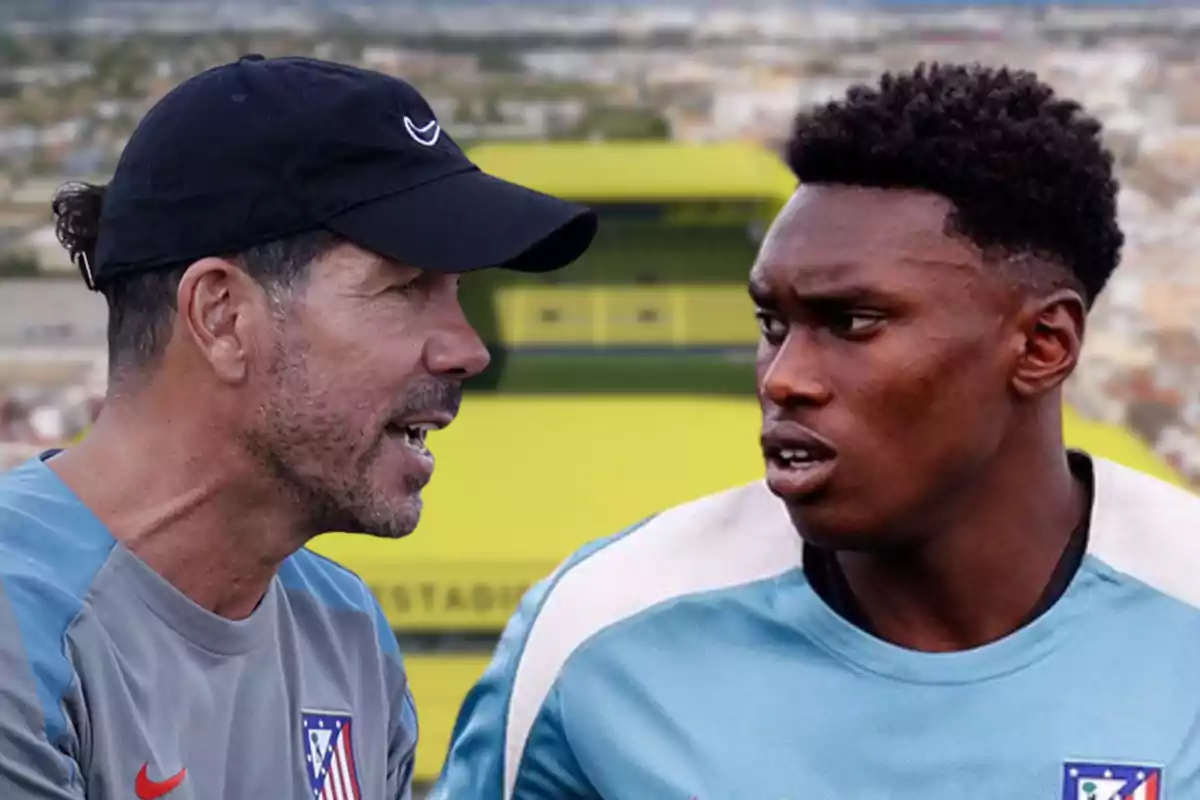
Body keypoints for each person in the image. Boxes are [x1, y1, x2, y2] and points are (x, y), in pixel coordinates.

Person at [430, 62, 1200, 800]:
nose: (784, 377)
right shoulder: (599, 630)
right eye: (773, 324)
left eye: (853, 322)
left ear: (1042, 346)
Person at [0, 55, 596, 799]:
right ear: (222, 315)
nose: (467, 348)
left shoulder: (343, 633)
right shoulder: (20, 634)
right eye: (406, 288)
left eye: (457, 291)